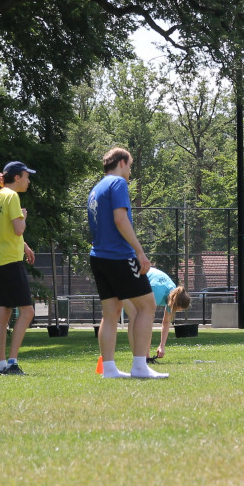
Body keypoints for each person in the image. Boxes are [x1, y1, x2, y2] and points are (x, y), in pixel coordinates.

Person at [88, 147, 168, 379]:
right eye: (130, 166)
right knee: (147, 306)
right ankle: (140, 366)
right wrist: (140, 253)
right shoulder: (118, 183)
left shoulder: (96, 188)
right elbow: (120, 219)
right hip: (119, 256)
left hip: (98, 257)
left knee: (110, 313)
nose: (130, 172)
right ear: (122, 162)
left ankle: (110, 369)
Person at [0, 160, 37, 375]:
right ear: (16, 177)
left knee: (3, 311)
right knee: (27, 312)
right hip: (11, 260)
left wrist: (25, 245)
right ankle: (12, 362)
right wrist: (23, 218)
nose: (28, 181)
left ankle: (0, 364)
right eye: (26, 176)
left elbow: (3, 228)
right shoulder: (12, 196)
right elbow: (17, 229)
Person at [153, 285, 191, 361]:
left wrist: (162, 346)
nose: (180, 311)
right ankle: (145, 358)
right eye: (180, 309)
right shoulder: (157, 295)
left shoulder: (173, 297)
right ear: (176, 304)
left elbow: (166, 322)